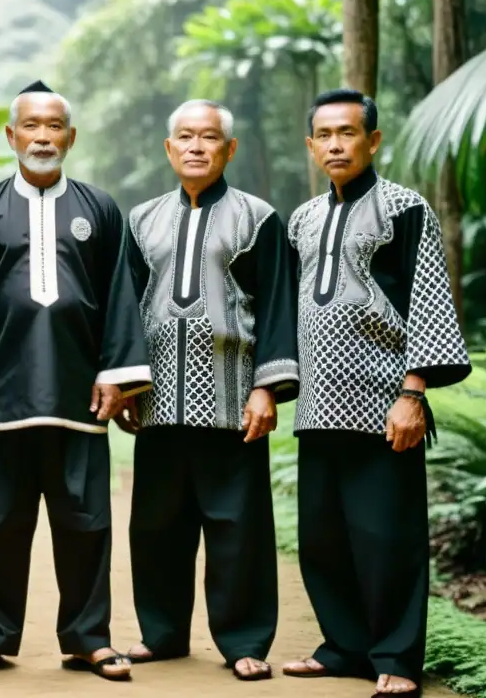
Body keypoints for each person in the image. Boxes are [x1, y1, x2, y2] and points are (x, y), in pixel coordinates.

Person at [0, 80, 152, 682]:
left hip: (81, 396)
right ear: (11, 135)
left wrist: (118, 373)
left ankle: (88, 638)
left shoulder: (100, 209)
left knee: (86, 524)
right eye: (31, 125)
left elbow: (120, 298)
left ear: (71, 137)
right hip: (1, 397)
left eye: (54, 126)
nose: (42, 136)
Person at [283, 88, 471, 697]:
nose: (336, 144)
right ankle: (344, 646)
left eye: (348, 133)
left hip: (382, 402)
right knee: (325, 536)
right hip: (317, 406)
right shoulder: (303, 219)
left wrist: (412, 392)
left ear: (373, 140)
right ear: (312, 146)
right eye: (325, 135)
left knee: (386, 537)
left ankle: (394, 655)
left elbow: (429, 297)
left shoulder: (403, 208)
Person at [119, 99, 299, 681]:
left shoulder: (258, 218)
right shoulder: (141, 219)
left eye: (209, 138)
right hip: (158, 403)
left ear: (229, 149)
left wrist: (268, 389)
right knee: (156, 525)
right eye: (186, 138)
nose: (197, 147)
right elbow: (125, 307)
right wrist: (125, 384)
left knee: (237, 526)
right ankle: (163, 633)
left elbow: (276, 304)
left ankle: (244, 640)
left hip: (232, 398)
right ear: (169, 149)